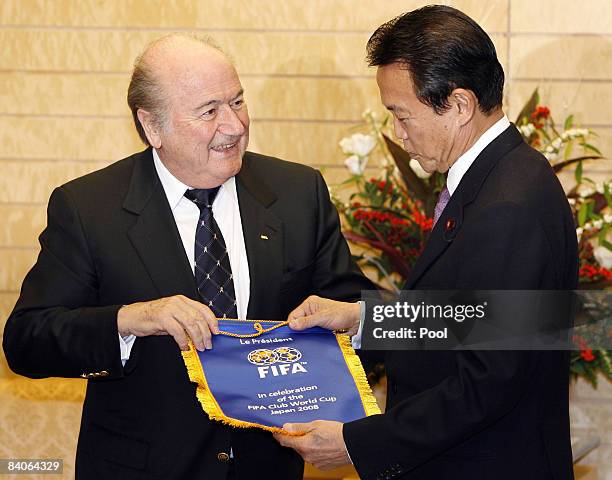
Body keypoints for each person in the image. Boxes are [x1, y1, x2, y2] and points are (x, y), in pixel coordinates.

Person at [2, 35, 373, 480]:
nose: (234, 125)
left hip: (267, 467)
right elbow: (27, 342)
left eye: (237, 102)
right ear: (152, 126)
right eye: (209, 111)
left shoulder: (298, 193)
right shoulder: (88, 208)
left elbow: (354, 316)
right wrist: (127, 320)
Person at [275, 6, 578, 480]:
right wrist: (365, 320)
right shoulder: (499, 177)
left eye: (401, 115)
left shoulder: (508, 207)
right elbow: (471, 319)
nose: (397, 133)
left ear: (458, 105)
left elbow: (487, 382)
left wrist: (357, 443)